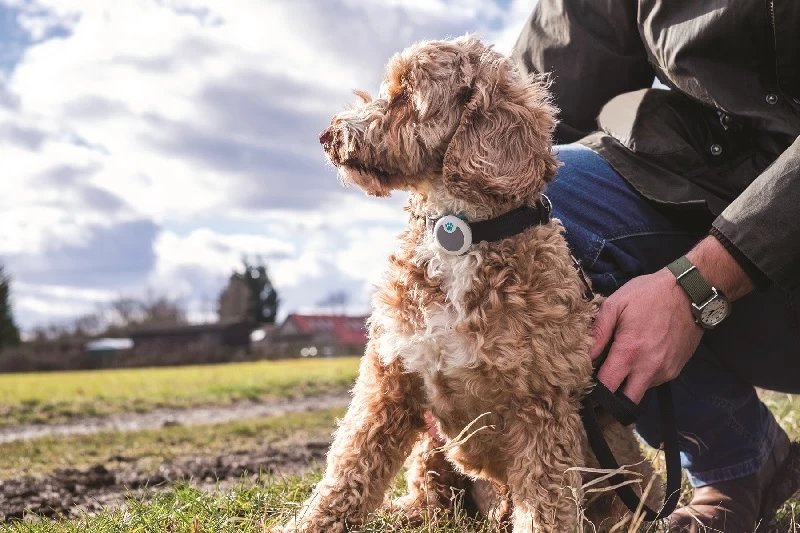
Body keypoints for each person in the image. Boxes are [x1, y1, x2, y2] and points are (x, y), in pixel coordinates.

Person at [511, 1, 800, 531]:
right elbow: (530, 124)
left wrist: (699, 282)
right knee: (531, 209)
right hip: (721, 195)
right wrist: (459, 304)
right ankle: (740, 463)